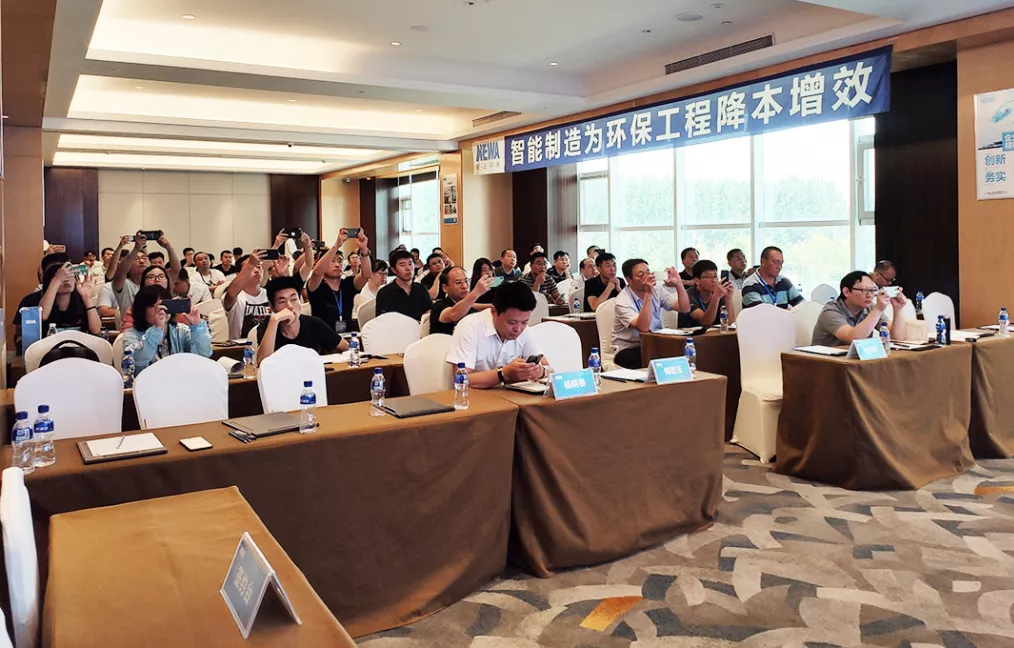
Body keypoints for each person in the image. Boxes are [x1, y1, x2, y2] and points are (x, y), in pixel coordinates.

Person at [445, 280, 551, 388]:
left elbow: (547, 365)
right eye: (511, 322)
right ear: (493, 312)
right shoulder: (470, 326)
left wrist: (539, 371)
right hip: (473, 396)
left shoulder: (524, 330)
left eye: (524, 322)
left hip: (509, 395)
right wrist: (503, 374)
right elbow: (461, 379)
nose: (518, 329)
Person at [612, 260, 691, 369]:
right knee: (655, 358)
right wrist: (648, 294)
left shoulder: (657, 289)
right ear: (629, 280)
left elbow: (685, 308)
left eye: (648, 272)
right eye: (641, 275)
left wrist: (678, 284)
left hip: (655, 342)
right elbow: (643, 327)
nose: (647, 277)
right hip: (631, 347)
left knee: (682, 350)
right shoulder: (622, 301)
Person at [256, 277, 349, 364]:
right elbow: (262, 362)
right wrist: (274, 321)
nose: (289, 306)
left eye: (293, 299)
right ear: (272, 307)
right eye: (282, 302)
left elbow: (347, 347)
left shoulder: (314, 323)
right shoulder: (268, 326)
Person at [120, 286, 211, 374]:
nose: (161, 310)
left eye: (164, 304)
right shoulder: (131, 335)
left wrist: (196, 326)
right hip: (146, 383)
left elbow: (203, 356)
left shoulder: (182, 331)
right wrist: (157, 329)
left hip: (180, 380)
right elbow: (138, 361)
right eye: (154, 306)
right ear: (142, 309)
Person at [812, 271, 908, 346]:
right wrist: (878, 310)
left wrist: (898, 309)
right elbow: (853, 338)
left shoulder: (870, 307)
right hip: (825, 362)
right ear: (846, 292)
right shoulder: (831, 311)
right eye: (864, 290)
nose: (869, 295)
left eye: (872, 290)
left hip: (856, 360)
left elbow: (897, 338)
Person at [308, 228, 372, 332]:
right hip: (323, 338)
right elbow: (317, 272)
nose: (337, 265)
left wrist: (364, 249)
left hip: (347, 336)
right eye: (332, 261)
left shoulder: (348, 284)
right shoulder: (317, 286)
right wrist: (337, 245)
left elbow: (366, 275)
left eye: (340, 261)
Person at [112, 231, 182, 315]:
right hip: (133, 322)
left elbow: (176, 270)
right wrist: (136, 248)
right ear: (129, 266)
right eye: (136, 259)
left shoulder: (158, 282)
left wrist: (169, 248)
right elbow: (120, 271)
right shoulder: (125, 285)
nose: (141, 261)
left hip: (162, 322)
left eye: (144, 258)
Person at [39, 264, 101, 336]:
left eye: (70, 276)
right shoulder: (41, 301)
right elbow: (42, 316)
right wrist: (57, 280)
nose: (66, 280)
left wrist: (86, 297)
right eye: (62, 277)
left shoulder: (82, 302)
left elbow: (96, 330)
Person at [430, 267, 494, 336]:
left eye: (466, 281)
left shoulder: (468, 306)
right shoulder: (439, 306)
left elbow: (475, 306)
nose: (464, 286)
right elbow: (454, 314)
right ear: (445, 288)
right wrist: (476, 292)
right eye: (458, 283)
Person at [224, 252, 271, 339]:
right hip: (241, 345)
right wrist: (250, 264)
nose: (256, 271)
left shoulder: (271, 294)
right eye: (251, 268)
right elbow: (230, 294)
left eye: (258, 267)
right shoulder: (237, 296)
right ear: (239, 274)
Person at [376, 249, 432, 320]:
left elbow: (429, 311)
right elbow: (382, 320)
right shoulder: (384, 293)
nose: (408, 268)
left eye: (410, 264)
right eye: (402, 265)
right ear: (394, 270)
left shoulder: (421, 289)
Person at [678, 260, 737, 329]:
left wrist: (728, 297)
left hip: (714, 334)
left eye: (715, 276)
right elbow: (705, 322)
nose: (714, 280)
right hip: (691, 334)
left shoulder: (719, 293)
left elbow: (729, 322)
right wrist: (716, 297)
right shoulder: (687, 296)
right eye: (709, 276)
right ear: (697, 281)